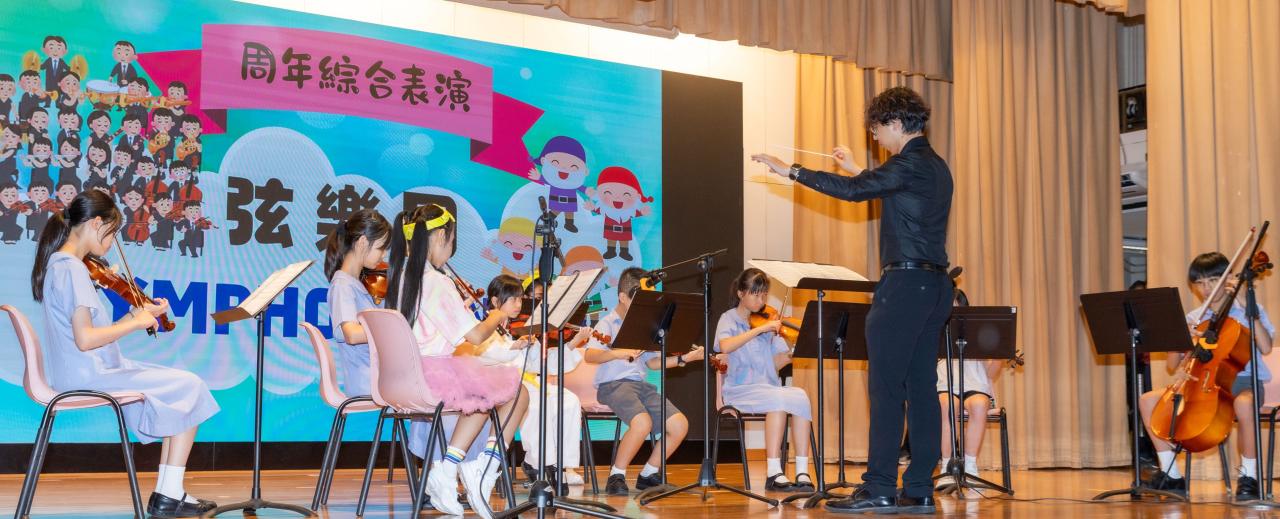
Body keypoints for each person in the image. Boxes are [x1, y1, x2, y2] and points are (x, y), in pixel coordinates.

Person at [753, 85, 953, 514]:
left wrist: (791, 171)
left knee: (886, 389)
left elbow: (854, 191)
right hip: (935, 287)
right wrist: (858, 169)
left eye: (877, 130)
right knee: (921, 389)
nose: (876, 137)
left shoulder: (908, 164)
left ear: (895, 123)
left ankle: (879, 486)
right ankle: (919, 488)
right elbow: (890, 191)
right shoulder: (935, 166)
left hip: (904, 286)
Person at [31, 190, 219, 518]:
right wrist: (135, 322)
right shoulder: (71, 269)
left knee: (184, 387)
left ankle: (169, 493)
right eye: (112, 231)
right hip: (89, 374)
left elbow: (86, 337)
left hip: (83, 371)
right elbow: (86, 339)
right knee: (190, 385)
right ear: (95, 223)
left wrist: (137, 314)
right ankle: (169, 494)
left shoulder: (62, 265)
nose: (113, 240)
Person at [386, 203, 529, 518]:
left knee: (497, 390)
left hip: (406, 378)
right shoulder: (437, 282)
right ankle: (476, 467)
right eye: (451, 241)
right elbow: (475, 336)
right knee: (516, 391)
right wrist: (496, 316)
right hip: (433, 374)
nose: (451, 249)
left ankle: (455, 468)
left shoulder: (402, 277)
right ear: (440, 237)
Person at [1137, 252, 1275, 500]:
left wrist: (1248, 308)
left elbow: (1265, 347)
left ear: (1228, 279)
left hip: (1244, 380)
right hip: (1204, 382)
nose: (1206, 288)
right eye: (1199, 283)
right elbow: (1172, 365)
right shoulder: (1195, 317)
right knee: (1147, 400)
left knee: (1245, 404)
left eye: (1212, 280)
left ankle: (1249, 477)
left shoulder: (1246, 311)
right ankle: (1171, 475)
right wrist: (1181, 338)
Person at [583, 267, 705, 495]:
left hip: (641, 386)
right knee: (642, 423)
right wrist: (617, 353)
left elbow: (653, 363)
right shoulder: (607, 323)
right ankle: (616, 476)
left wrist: (684, 359)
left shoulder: (642, 326)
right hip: (614, 385)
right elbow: (590, 355)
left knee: (679, 425)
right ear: (623, 297)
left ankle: (648, 474)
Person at [713, 267, 814, 492]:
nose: (761, 301)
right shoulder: (728, 319)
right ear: (741, 293)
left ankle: (802, 470)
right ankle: (773, 472)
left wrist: (793, 352)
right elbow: (725, 346)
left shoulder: (768, 323)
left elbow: (775, 363)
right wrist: (760, 330)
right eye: (756, 295)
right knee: (777, 400)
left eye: (764, 295)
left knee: (801, 396)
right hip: (739, 390)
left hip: (767, 387)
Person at [933, 289, 1004, 490]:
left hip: (975, 385)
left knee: (980, 404)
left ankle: (970, 466)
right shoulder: (936, 329)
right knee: (947, 404)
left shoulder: (978, 331)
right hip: (946, 383)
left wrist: (999, 357)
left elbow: (990, 374)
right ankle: (947, 467)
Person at [323, 208, 390, 397]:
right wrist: (392, 330)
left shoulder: (355, 284)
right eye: (381, 248)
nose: (383, 255)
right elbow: (352, 334)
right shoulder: (342, 285)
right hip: (367, 384)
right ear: (362, 242)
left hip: (376, 379)